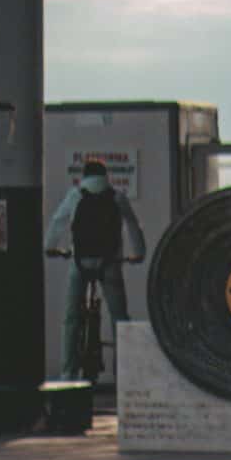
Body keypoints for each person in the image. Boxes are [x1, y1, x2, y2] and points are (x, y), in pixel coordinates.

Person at [43, 159, 145, 380]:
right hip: (110, 264)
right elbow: (133, 226)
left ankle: (67, 374)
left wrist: (50, 248)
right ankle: (125, 375)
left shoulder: (75, 195)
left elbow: (58, 221)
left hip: (79, 263)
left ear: (84, 176)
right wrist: (138, 254)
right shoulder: (117, 197)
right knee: (119, 317)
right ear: (105, 176)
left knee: (71, 317)